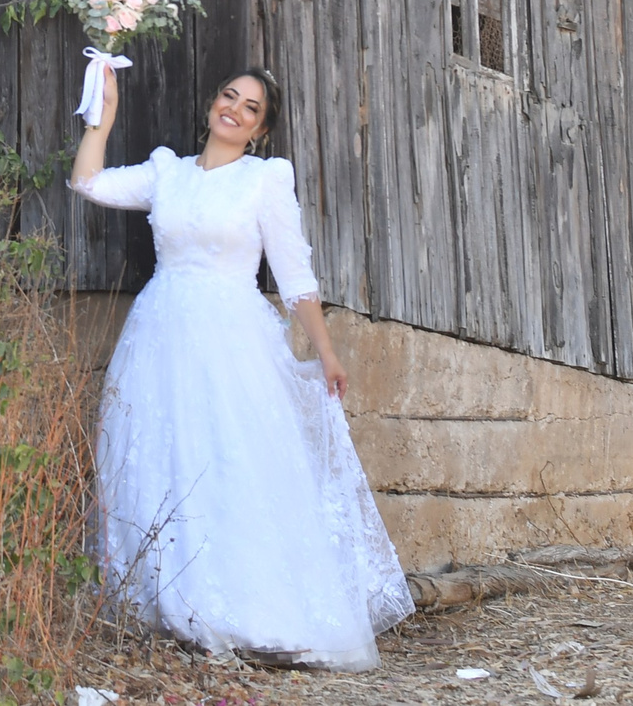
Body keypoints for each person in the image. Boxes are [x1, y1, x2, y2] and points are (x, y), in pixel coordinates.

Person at [69, 65, 412, 669]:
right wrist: (103, 116)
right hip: (160, 333)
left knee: (231, 459)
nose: (234, 109)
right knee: (159, 461)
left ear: (260, 129)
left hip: (232, 337)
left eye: (250, 107)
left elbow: (293, 272)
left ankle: (250, 611)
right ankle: (170, 607)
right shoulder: (166, 173)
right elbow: (88, 181)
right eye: (229, 96)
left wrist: (326, 351)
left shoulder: (265, 180)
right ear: (211, 104)